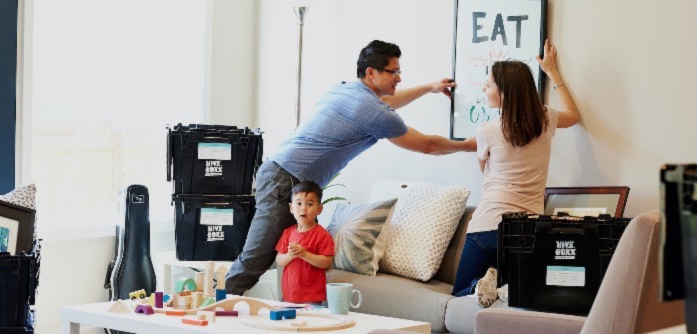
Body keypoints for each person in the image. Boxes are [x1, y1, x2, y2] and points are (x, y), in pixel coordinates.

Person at [225, 39, 477, 294]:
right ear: (371, 72)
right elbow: (428, 146)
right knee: (257, 257)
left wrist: (429, 87)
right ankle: (215, 310)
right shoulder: (373, 111)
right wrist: (468, 145)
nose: (398, 78)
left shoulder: (346, 89)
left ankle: (224, 305)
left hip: (280, 173)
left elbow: (388, 102)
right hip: (286, 180)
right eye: (394, 72)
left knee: (264, 255)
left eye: (399, 72)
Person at [451, 39, 581, 307]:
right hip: (527, 230)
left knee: (460, 294)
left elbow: (485, 172)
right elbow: (574, 115)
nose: (484, 88)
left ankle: (481, 286)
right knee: (518, 297)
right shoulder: (545, 119)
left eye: (488, 84)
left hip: (487, 225)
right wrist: (553, 73)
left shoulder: (487, 130)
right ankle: (502, 287)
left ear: (505, 91)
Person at [275, 181, 334, 304]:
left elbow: (327, 262)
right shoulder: (288, 233)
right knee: (287, 322)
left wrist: (304, 254)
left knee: (310, 322)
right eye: (299, 203)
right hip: (289, 294)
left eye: (309, 204)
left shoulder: (322, 235)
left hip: (312, 296)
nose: (303, 208)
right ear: (291, 208)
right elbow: (279, 260)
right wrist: (290, 255)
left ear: (319, 209)